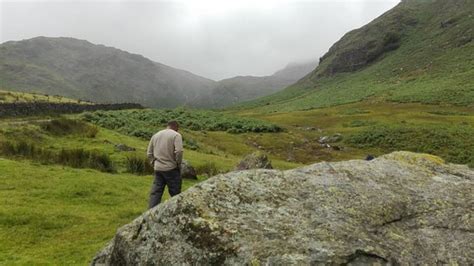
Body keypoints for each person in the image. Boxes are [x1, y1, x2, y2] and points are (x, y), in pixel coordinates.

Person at [147, 120, 183, 209]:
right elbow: (179, 151)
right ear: (176, 127)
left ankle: (150, 213)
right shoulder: (176, 135)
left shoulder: (156, 135)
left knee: (156, 192)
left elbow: (149, 153)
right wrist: (178, 163)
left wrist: (153, 162)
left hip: (158, 168)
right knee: (175, 193)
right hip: (171, 168)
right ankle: (177, 212)